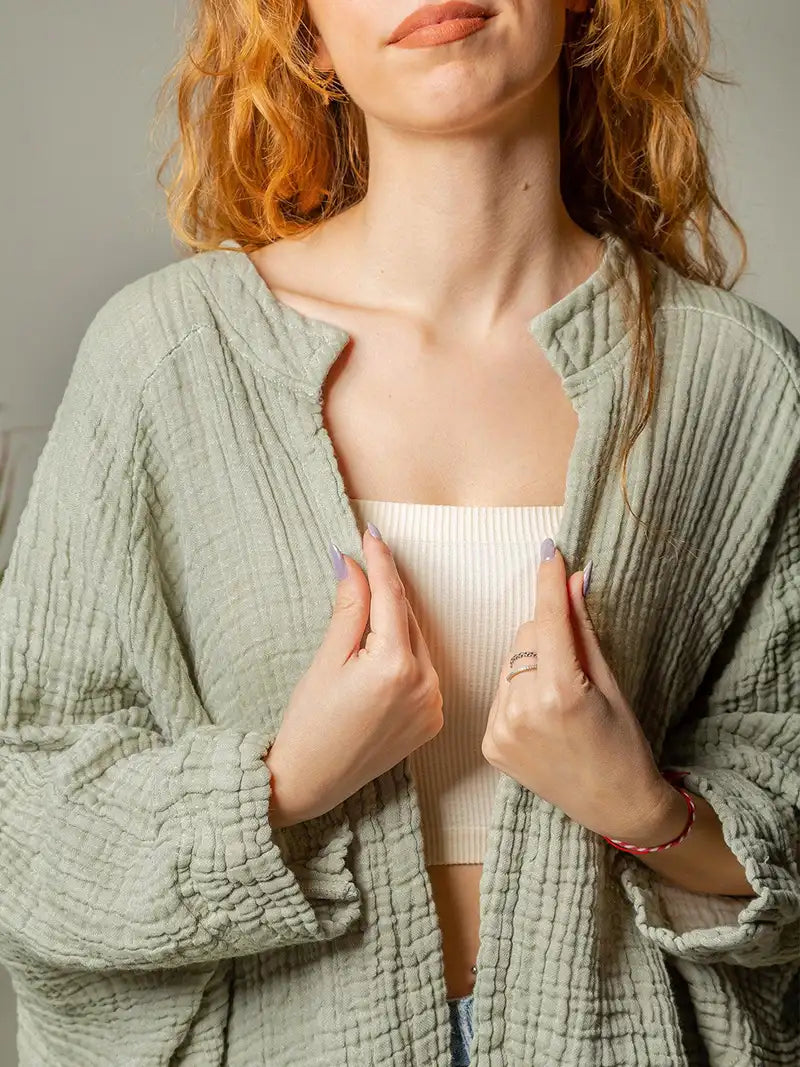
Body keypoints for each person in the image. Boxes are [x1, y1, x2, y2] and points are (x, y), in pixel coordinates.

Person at [0, 1, 798, 1064]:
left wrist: (643, 805)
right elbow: (26, 812)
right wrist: (284, 782)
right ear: (309, 38)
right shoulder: (163, 362)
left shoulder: (732, 379)